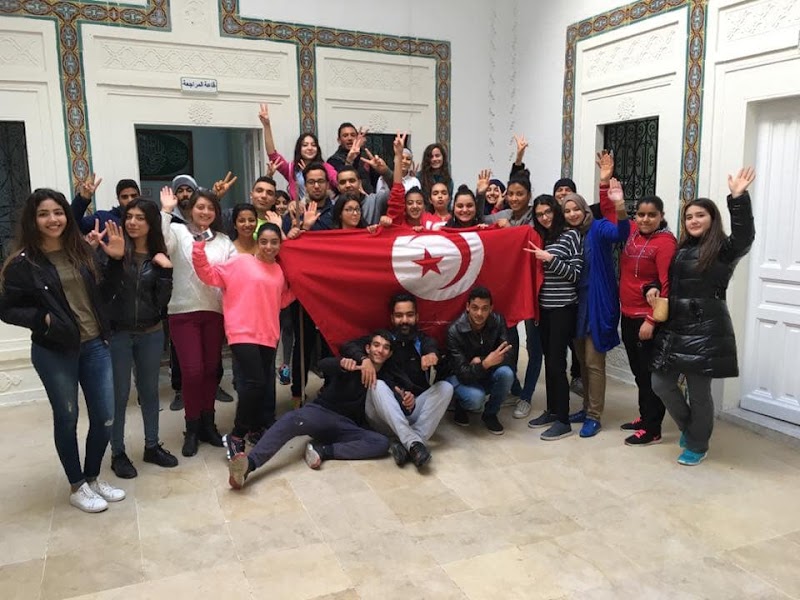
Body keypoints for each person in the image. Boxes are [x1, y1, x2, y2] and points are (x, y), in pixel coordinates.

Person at [0, 189, 126, 512]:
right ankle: (77, 485)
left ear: (67, 216)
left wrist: (115, 261)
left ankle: (93, 477)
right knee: (67, 417)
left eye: (58, 212)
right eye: (43, 214)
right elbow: (6, 308)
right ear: (33, 220)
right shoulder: (23, 263)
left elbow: (104, 296)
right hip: (54, 350)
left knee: (105, 417)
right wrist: (41, 319)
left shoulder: (81, 251)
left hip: (95, 344)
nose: (53, 219)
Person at [651, 168, 756, 466]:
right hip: (675, 328)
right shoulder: (682, 249)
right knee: (660, 383)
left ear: (712, 218)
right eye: (689, 217)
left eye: (700, 215)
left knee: (699, 393)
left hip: (705, 330)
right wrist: (652, 289)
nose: (694, 221)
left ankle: (697, 445)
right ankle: (692, 429)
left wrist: (738, 198)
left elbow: (745, 236)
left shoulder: (723, 249)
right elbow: (673, 283)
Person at [228, 331, 395, 489]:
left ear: (390, 354)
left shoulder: (387, 378)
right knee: (291, 419)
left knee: (381, 443)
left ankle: (322, 450)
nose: (380, 350)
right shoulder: (354, 362)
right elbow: (323, 364)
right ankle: (249, 465)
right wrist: (341, 364)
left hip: (347, 427)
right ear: (368, 348)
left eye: (385, 347)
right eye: (376, 345)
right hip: (322, 414)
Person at [192, 222, 294, 459]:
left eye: (274, 242)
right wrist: (198, 247)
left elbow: (279, 301)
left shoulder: (279, 272)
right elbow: (209, 275)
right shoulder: (240, 262)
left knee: (261, 385)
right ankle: (237, 435)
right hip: (242, 332)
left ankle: (253, 428)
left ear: (280, 245)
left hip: (268, 335)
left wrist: (300, 289)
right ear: (258, 242)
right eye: (264, 241)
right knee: (255, 382)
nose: (269, 247)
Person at [160, 186, 236, 456]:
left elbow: (233, 275)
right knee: (192, 372)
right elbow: (162, 244)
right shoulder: (178, 231)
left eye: (210, 208)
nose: (205, 212)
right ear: (191, 209)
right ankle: (191, 428)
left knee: (211, 371)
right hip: (183, 312)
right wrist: (166, 211)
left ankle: (208, 424)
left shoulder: (224, 241)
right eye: (200, 207)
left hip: (214, 312)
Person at [340, 293, 453, 469]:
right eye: (399, 316)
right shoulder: (383, 341)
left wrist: (432, 355)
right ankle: (413, 443)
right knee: (377, 385)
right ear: (392, 318)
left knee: (446, 387)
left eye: (409, 315)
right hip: (383, 414)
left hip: (412, 410)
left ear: (417, 317)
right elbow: (347, 346)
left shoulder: (423, 341)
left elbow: (431, 347)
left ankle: (408, 444)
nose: (405, 320)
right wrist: (364, 359)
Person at [108, 198, 178, 478]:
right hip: (119, 334)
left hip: (151, 332)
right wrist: (114, 260)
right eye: (129, 217)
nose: (133, 223)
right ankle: (118, 453)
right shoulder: (114, 251)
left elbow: (161, 302)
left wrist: (166, 272)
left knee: (149, 392)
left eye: (140, 218)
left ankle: (152, 446)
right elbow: (103, 291)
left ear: (151, 223)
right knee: (119, 395)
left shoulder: (158, 257)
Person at [562, 181, 630, 437]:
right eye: (567, 211)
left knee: (593, 361)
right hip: (577, 305)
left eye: (576, 209)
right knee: (581, 360)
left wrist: (619, 204)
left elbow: (622, 233)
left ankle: (594, 416)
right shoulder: (568, 235)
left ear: (584, 209)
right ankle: (586, 407)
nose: (572, 214)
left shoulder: (598, 227)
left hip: (598, 303)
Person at [618, 194, 677, 446]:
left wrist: (652, 320)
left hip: (647, 319)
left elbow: (667, 285)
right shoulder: (633, 232)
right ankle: (645, 418)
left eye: (652, 215)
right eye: (641, 214)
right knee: (639, 374)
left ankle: (653, 429)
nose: (645, 219)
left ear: (661, 216)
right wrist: (614, 197)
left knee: (649, 375)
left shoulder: (666, 243)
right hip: (628, 314)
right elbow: (619, 219)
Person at [484, 174, 543, 420]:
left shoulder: (537, 216)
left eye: (520, 194)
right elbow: (479, 221)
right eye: (511, 194)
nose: (515, 198)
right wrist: (482, 196)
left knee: (534, 343)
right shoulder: (503, 214)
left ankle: (526, 396)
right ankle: (515, 387)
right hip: (509, 287)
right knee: (509, 336)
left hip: (534, 287)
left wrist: (514, 231)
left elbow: (538, 235)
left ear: (529, 195)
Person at [526, 195, 583, 440]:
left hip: (563, 307)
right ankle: (552, 410)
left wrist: (550, 259)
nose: (544, 217)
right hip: (543, 309)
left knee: (557, 363)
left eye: (548, 212)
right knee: (549, 361)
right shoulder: (541, 237)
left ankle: (563, 420)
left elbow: (576, 274)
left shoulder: (571, 235)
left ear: (556, 211)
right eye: (539, 214)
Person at [446, 286, 514, 435]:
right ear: (467, 307)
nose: (479, 313)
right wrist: (486, 363)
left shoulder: (498, 321)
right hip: (460, 377)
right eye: (475, 308)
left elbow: (508, 354)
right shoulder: (454, 330)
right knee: (476, 399)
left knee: (507, 373)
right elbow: (462, 373)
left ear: (491, 309)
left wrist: (483, 361)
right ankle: (459, 404)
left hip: (485, 371)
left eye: (484, 308)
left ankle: (490, 414)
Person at [259, 103, 338, 200]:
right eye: (305, 145)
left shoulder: (325, 167)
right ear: (299, 149)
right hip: (298, 208)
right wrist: (266, 125)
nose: (310, 148)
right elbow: (273, 156)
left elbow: (338, 181)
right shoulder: (291, 169)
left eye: (313, 145)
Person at [71, 175, 140, 234]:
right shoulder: (103, 218)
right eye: (125, 197)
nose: (130, 200)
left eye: (134, 196)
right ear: (118, 199)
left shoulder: (146, 218)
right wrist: (82, 199)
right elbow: (73, 225)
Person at [327, 122, 374, 193]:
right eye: (345, 136)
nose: (349, 138)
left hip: (368, 197)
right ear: (339, 140)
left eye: (353, 135)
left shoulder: (365, 156)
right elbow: (340, 185)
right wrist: (349, 160)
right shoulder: (333, 161)